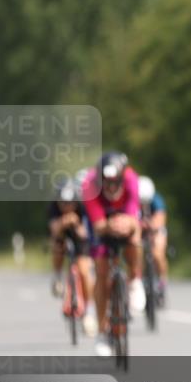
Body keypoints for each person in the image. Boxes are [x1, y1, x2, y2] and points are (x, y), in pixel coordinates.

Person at [81, 152, 146, 356]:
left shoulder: (131, 179)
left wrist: (126, 223)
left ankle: (135, 279)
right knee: (101, 271)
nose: (110, 187)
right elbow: (98, 225)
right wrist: (109, 225)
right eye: (105, 183)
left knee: (134, 238)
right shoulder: (89, 185)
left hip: (125, 218)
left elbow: (134, 215)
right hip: (101, 222)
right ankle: (102, 332)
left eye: (114, 182)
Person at [47, 179, 94, 323]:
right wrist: (62, 223)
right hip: (61, 235)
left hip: (80, 237)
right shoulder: (53, 207)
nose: (67, 207)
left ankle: (89, 308)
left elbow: (85, 234)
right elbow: (53, 231)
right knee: (57, 245)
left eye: (70, 203)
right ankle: (58, 274)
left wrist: (76, 223)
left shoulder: (83, 206)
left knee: (84, 270)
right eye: (63, 203)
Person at [137, 176, 169, 301]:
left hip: (155, 229)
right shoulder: (132, 199)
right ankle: (137, 280)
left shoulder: (156, 199)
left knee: (157, 253)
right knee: (136, 251)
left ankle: (162, 281)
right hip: (139, 229)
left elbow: (161, 218)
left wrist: (152, 227)